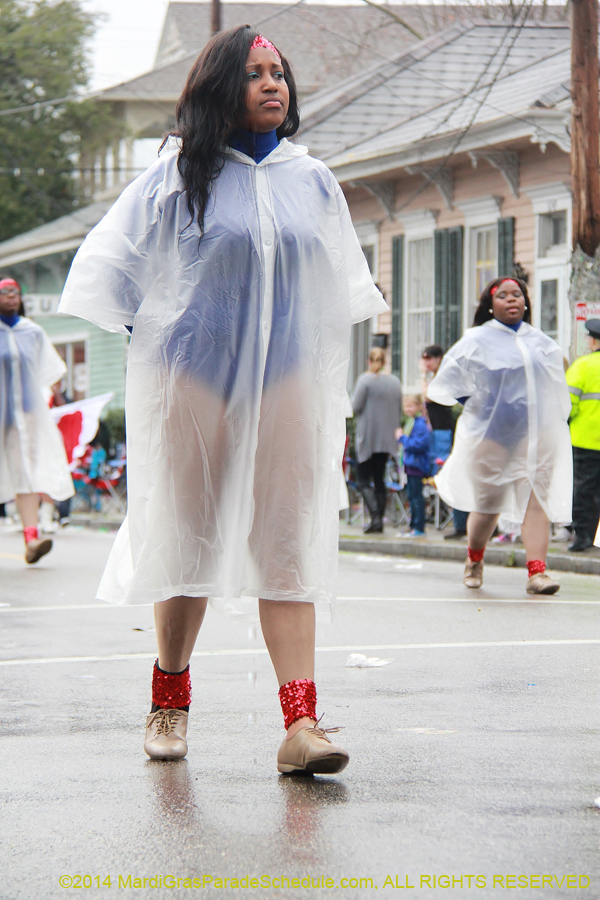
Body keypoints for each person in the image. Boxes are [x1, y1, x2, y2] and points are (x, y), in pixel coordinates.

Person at [59, 27, 387, 772]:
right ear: (219, 89)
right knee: (189, 534)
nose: (274, 85)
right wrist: (162, 340)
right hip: (195, 378)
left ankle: (301, 726)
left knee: (287, 539)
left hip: (289, 378)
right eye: (255, 74)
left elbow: (340, 289)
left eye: (280, 73)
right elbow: (110, 268)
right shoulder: (178, 173)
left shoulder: (313, 179)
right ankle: (169, 697)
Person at [427, 277, 572, 595]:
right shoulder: (477, 339)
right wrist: (478, 407)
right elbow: (445, 384)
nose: (511, 300)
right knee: (489, 504)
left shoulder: (542, 343)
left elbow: (557, 391)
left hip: (535, 437)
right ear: (490, 305)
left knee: (537, 500)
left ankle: (538, 573)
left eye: (517, 295)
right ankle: (474, 558)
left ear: (526, 302)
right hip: (492, 437)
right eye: (503, 295)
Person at [0, 276, 74, 563]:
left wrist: (59, 399)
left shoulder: (32, 332)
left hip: (26, 419)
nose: (10, 297)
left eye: (15, 293)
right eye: (5, 292)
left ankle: (32, 539)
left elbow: (51, 371)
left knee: (25, 475)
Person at [351, 347, 402, 533]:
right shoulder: (395, 382)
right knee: (380, 479)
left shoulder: (365, 380)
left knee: (364, 480)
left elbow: (355, 406)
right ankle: (379, 518)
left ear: (369, 361)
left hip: (368, 438)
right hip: (386, 440)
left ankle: (375, 518)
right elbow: (399, 408)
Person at [421, 344, 468, 539]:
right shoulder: (434, 376)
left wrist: (423, 377)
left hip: (443, 433)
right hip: (436, 432)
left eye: (429, 358)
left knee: (448, 473)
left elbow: (427, 395)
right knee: (437, 475)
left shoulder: (442, 376)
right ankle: (444, 515)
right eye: (424, 359)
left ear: (439, 358)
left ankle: (460, 522)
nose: (426, 363)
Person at [565, 318, 600, 552]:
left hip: (585, 440)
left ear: (593, 340)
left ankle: (583, 537)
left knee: (584, 491)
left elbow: (567, 405)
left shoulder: (583, 366)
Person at [397, 394, 430, 537]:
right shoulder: (412, 422)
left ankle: (419, 527)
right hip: (410, 465)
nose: (407, 409)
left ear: (418, 406)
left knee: (417, 497)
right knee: (411, 496)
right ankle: (413, 526)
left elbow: (418, 444)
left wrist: (402, 438)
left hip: (417, 466)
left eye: (410, 405)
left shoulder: (420, 424)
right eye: (406, 406)